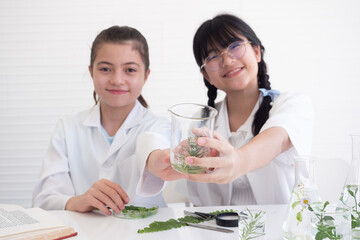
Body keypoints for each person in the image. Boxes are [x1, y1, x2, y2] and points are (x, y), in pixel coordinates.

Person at [146, 13, 314, 207]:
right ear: (206, 75)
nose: (227, 60)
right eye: (213, 56)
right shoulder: (199, 123)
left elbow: (279, 139)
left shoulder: (291, 104)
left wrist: (239, 161)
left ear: (257, 52)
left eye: (234, 46)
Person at [32, 26, 184, 215]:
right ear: (91, 72)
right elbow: (45, 199)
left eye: (130, 70)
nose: (117, 80)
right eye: (105, 69)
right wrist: (77, 201)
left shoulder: (160, 125)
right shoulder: (68, 128)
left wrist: (158, 159)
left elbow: (153, 144)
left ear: (145, 75)